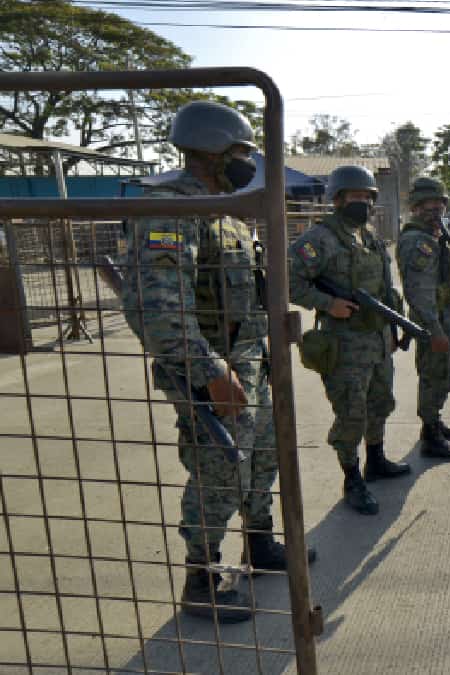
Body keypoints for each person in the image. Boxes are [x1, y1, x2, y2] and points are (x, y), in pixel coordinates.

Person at [121, 100, 312, 623]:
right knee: (219, 471)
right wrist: (210, 372)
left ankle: (259, 542)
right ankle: (201, 575)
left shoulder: (225, 213)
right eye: (240, 154)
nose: (248, 164)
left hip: (251, 364)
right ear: (209, 152)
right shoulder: (170, 210)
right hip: (213, 374)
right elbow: (155, 307)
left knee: (263, 459)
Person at [288, 165, 411, 516]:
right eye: (355, 196)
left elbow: (385, 289)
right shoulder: (320, 239)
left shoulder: (369, 237)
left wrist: (391, 329)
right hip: (343, 345)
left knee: (380, 403)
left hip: (376, 340)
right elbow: (288, 279)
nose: (362, 203)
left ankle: (376, 460)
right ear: (338, 199)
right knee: (351, 414)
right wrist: (328, 304)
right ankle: (352, 478)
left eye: (367, 197)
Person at [396, 177, 450, 460]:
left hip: (443, 317)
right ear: (416, 207)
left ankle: (434, 422)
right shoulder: (418, 241)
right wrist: (435, 329)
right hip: (432, 321)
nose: (436, 207)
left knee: (442, 376)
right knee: (432, 377)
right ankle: (430, 436)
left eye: (440, 202)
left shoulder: (434, 235)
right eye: (429, 203)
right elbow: (419, 291)